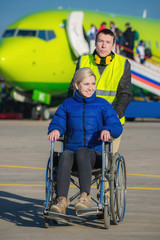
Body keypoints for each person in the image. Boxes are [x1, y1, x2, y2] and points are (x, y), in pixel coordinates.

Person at [48, 67, 123, 215]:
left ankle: (84, 197)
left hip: (95, 156)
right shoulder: (67, 105)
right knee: (65, 154)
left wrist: (107, 129)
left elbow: (116, 126)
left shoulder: (102, 105)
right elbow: (57, 122)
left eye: (93, 84)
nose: (91, 88)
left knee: (82, 152)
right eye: (86, 84)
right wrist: (56, 129)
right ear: (76, 85)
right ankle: (61, 201)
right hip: (72, 156)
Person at [67, 28, 132, 154]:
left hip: (111, 120)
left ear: (113, 45)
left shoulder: (122, 64)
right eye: (100, 41)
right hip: (85, 119)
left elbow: (125, 94)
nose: (103, 45)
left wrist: (114, 115)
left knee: (106, 162)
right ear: (95, 43)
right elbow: (72, 90)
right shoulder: (84, 61)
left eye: (108, 42)